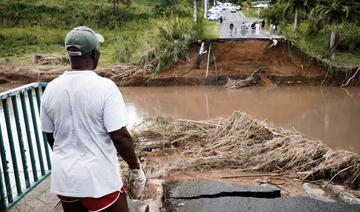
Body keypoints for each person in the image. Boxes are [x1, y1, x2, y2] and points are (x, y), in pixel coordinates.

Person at [40, 26, 146, 212]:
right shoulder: (105, 88)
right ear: (95, 54)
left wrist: (68, 157)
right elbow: (120, 136)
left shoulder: (51, 89)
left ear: (70, 55)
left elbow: (50, 136)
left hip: (65, 180)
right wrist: (135, 168)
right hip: (98, 182)